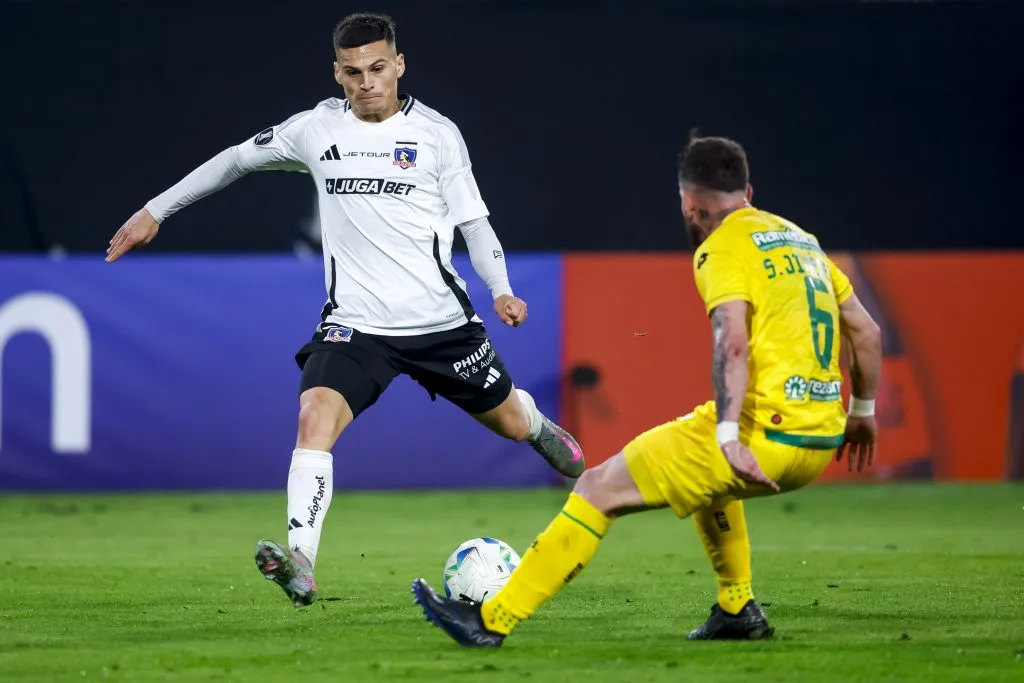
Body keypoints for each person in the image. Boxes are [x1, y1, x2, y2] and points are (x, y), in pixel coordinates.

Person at [105, 12, 585, 608]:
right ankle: (301, 562)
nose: (366, 82)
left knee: (510, 424)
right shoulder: (315, 129)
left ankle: (537, 425)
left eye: (378, 68)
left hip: (441, 326)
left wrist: (501, 288)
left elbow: (474, 222)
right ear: (337, 73)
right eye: (353, 72)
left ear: (399, 65)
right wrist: (156, 210)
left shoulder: (437, 135)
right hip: (357, 327)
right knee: (314, 420)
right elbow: (233, 160)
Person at [411, 133, 882, 646]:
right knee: (707, 482)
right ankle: (737, 608)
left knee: (596, 487)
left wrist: (729, 438)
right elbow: (866, 332)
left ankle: (489, 620)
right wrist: (862, 412)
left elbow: (731, 342)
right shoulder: (801, 240)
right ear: (749, 190)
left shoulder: (721, 247)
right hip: (820, 438)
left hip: (759, 437)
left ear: (689, 201)